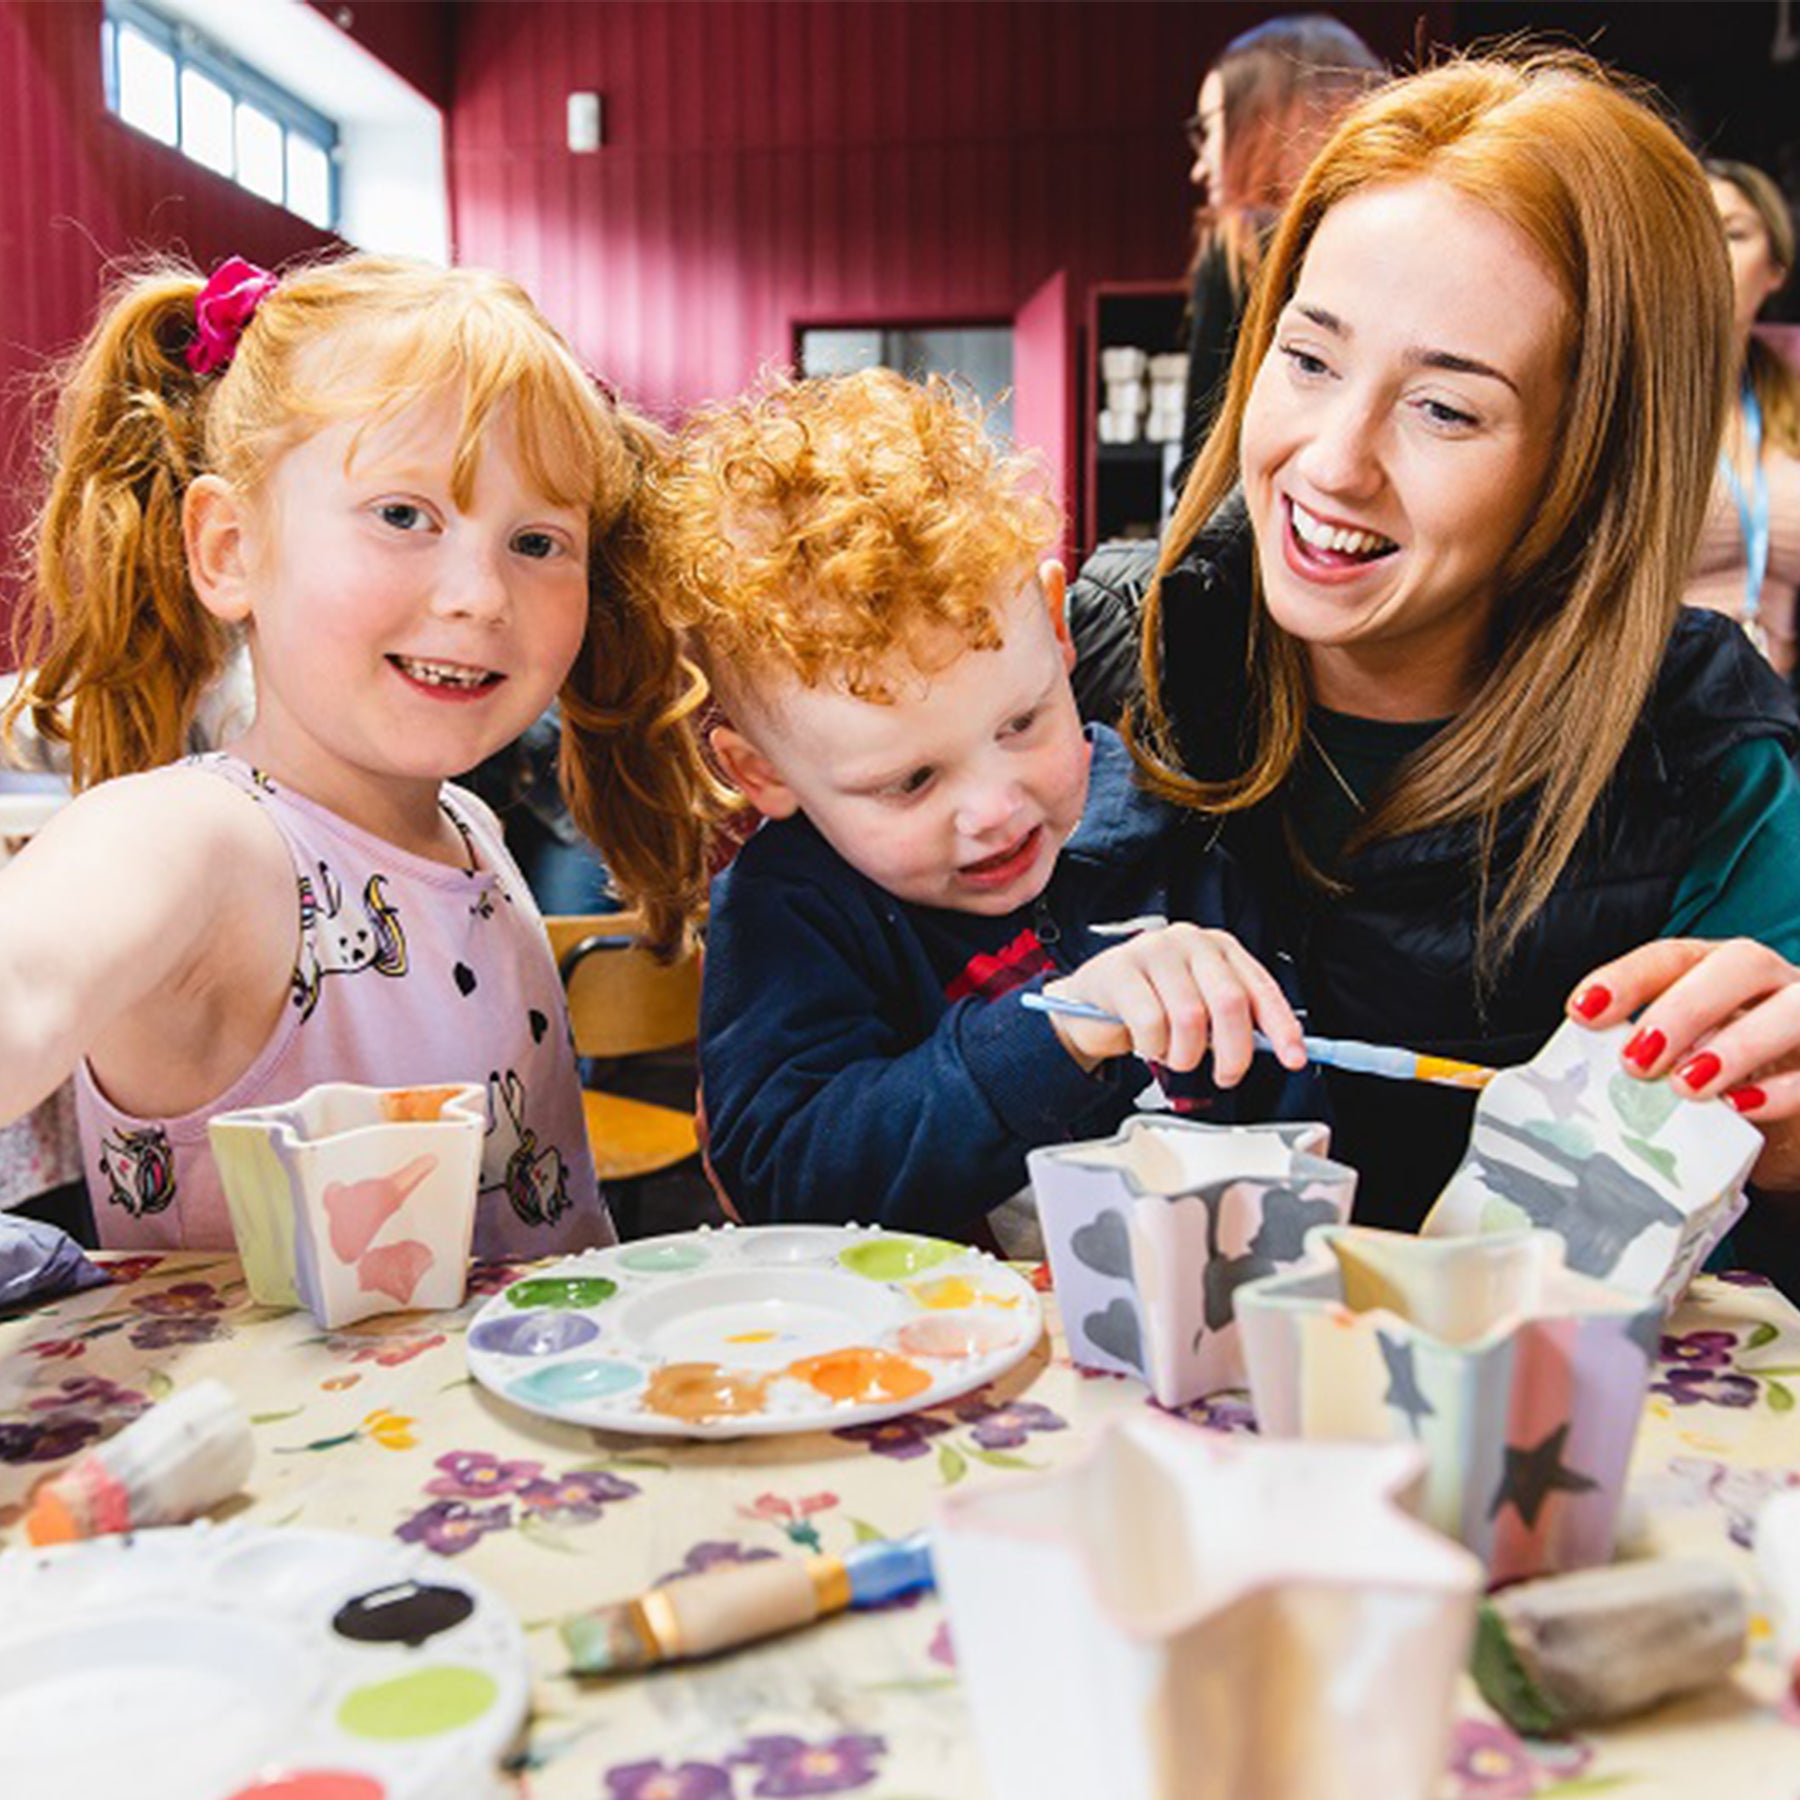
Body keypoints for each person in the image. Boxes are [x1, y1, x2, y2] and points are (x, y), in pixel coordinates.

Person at [1101, 50, 1800, 1280]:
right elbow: (818, 1124)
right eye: (1310, 359)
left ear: (1597, 463)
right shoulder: (1101, 658)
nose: (1331, 462)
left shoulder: (1706, 756)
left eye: (1446, 408)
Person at [0, 252, 716, 1254]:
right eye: (403, 515)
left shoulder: (465, 827)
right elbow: (24, 981)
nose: (480, 594)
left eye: (539, 541)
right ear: (230, 550)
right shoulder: (204, 841)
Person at [642, 368, 1313, 1245]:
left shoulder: (1181, 832)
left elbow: (1297, 1107)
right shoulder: (790, 910)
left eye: (1022, 722)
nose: (995, 810)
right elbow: (780, 1180)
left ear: (1056, 627)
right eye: (910, 781)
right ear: (762, 773)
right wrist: (1060, 1033)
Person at [1177, 14, 1385, 476]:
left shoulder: (1243, 245)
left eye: (1209, 130)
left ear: (1266, 121)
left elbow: (1202, 463)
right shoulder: (1404, 255)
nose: (1200, 167)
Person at [1683, 158, 1800, 679]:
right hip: (1666, 716)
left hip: (1781, 713)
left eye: (1733, 233)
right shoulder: (1633, 399)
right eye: (1692, 232)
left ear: (1776, 268)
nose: (1709, 250)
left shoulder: (1787, 397)